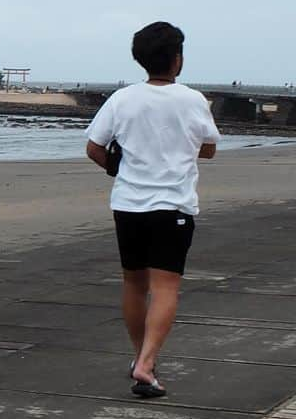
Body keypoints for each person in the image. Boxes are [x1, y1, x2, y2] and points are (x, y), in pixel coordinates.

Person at [85, 22, 220, 399]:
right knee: (166, 287)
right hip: (172, 205)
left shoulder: (122, 99)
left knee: (133, 282)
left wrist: (121, 167)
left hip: (128, 204)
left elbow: (95, 147)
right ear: (177, 59)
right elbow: (208, 147)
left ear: (139, 59)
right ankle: (147, 363)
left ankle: (139, 358)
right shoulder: (192, 100)